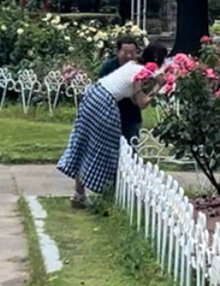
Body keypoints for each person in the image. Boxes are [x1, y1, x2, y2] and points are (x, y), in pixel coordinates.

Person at [58, 42, 168, 208]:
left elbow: (131, 96)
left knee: (84, 143)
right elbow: (141, 103)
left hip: (93, 95)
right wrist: (159, 85)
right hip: (104, 102)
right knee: (109, 150)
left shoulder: (132, 66)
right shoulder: (141, 72)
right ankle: (107, 195)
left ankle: (78, 194)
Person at [99, 36, 142, 143]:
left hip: (132, 116)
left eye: (132, 52)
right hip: (110, 116)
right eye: (125, 52)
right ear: (118, 52)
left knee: (131, 150)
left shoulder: (140, 68)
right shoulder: (109, 67)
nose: (129, 56)